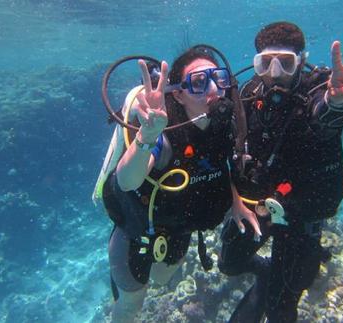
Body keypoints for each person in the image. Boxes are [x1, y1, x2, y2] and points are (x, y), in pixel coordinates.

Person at [219, 21, 343, 322]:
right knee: (229, 264)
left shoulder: (318, 90)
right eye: (265, 63)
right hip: (259, 206)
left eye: (286, 63)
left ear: (301, 62)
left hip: (302, 212)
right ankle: (265, 276)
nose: (274, 73)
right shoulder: (248, 94)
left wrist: (338, 103)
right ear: (256, 63)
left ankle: (275, 285)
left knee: (281, 308)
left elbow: (325, 116)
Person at [98, 47, 240, 322]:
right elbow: (127, 181)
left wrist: (237, 202)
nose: (214, 88)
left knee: (163, 280)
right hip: (136, 233)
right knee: (132, 304)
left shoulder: (226, 124)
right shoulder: (164, 132)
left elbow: (224, 165)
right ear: (179, 93)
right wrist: (147, 135)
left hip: (179, 229)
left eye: (218, 77)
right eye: (199, 82)